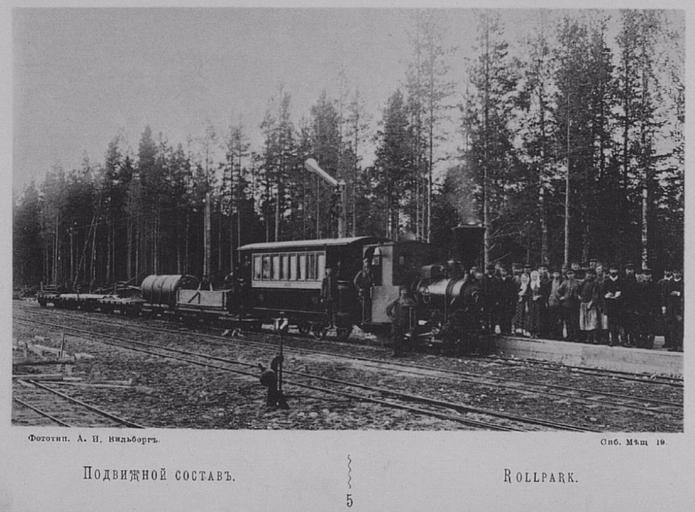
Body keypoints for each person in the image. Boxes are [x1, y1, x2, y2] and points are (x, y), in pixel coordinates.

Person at [386, 286, 417, 356]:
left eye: (405, 291)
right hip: (396, 321)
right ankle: (394, 352)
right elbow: (388, 309)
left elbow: (415, 307)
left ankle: (400, 352)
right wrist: (392, 317)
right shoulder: (397, 301)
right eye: (402, 291)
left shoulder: (410, 301)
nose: (404, 293)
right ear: (400, 292)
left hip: (404, 321)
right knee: (394, 337)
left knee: (401, 337)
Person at [635, 268, 660, 349]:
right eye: (645, 275)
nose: (646, 276)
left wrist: (654, 309)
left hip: (650, 309)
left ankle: (649, 343)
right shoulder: (639, 285)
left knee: (650, 326)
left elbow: (656, 298)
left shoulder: (654, 285)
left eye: (648, 275)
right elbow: (637, 298)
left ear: (651, 276)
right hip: (641, 309)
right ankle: (643, 341)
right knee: (642, 326)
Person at [578, 268, 601, 344]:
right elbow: (578, 291)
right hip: (583, 304)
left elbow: (596, 294)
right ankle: (587, 338)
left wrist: (591, 302)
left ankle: (595, 338)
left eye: (590, 274)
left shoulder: (595, 283)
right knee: (585, 321)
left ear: (593, 275)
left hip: (591, 304)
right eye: (587, 274)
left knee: (593, 321)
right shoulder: (583, 283)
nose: (588, 275)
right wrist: (579, 297)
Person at [602, 264, 623, 347]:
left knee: (618, 322)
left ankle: (619, 338)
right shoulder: (606, 281)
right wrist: (607, 295)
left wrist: (619, 295)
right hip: (609, 305)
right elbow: (602, 292)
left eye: (615, 270)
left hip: (618, 305)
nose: (613, 272)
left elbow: (624, 292)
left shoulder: (621, 281)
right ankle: (612, 339)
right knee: (611, 322)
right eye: (612, 270)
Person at [558, 268, 580, 341]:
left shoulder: (577, 282)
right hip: (566, 303)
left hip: (574, 303)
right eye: (568, 274)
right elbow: (559, 290)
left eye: (571, 274)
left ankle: (575, 336)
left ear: (574, 274)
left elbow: (580, 290)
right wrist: (562, 297)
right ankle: (569, 336)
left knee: (574, 320)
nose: (570, 275)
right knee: (567, 321)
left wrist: (578, 296)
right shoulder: (565, 282)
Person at [664, 270, 683, 352]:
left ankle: (680, 345)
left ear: (680, 273)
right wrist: (664, 306)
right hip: (671, 308)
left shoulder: (683, 282)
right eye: (675, 272)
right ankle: (673, 345)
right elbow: (665, 294)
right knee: (672, 327)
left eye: (677, 272)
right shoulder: (670, 282)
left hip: (680, 308)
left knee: (680, 327)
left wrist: (678, 293)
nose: (676, 274)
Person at [621, 263, 639, 347]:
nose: (629, 271)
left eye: (631, 269)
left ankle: (632, 339)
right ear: (625, 270)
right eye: (628, 269)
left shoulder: (636, 281)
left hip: (633, 305)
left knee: (633, 323)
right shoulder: (623, 281)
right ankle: (624, 340)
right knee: (625, 323)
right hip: (624, 305)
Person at [353, 258, 374, 323]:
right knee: (363, 305)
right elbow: (355, 281)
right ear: (364, 264)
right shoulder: (361, 272)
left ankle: (368, 319)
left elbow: (372, 280)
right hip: (363, 291)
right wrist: (359, 289)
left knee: (369, 305)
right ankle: (363, 319)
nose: (367, 263)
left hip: (369, 290)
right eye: (365, 262)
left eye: (368, 262)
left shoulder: (371, 272)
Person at [497, 266, 517, 335]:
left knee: (508, 316)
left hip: (508, 301)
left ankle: (507, 330)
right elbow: (496, 291)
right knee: (501, 315)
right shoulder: (498, 281)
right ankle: (502, 330)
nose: (503, 273)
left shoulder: (510, 281)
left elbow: (513, 291)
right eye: (502, 271)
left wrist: (511, 300)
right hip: (500, 301)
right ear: (500, 272)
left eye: (505, 271)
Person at [658, 269, 674, 349]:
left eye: (669, 271)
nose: (667, 272)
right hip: (662, 304)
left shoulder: (673, 282)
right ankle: (667, 341)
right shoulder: (661, 282)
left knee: (671, 324)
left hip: (671, 305)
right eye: (666, 271)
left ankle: (672, 342)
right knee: (664, 324)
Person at [527, 270, 544, 338]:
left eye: (536, 276)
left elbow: (544, 293)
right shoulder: (529, 284)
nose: (534, 277)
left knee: (537, 318)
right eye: (533, 276)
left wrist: (538, 296)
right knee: (531, 317)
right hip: (531, 302)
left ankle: (537, 332)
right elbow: (528, 294)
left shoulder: (540, 284)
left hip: (538, 303)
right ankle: (531, 332)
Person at [546, 270, 564, 339]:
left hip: (559, 302)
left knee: (559, 319)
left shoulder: (562, 282)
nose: (556, 275)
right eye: (555, 273)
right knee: (551, 319)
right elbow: (547, 292)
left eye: (557, 274)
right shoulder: (549, 282)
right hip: (551, 302)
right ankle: (551, 334)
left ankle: (559, 335)